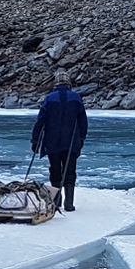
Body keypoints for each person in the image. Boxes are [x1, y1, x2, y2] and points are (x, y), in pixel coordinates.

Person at [30, 78, 88, 212]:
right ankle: (69, 204)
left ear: (56, 84)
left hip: (52, 142)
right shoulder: (76, 98)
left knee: (55, 171)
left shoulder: (49, 98)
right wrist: (82, 138)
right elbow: (83, 121)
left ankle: (56, 202)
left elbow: (40, 121)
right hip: (71, 142)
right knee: (70, 172)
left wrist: (35, 140)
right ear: (69, 84)